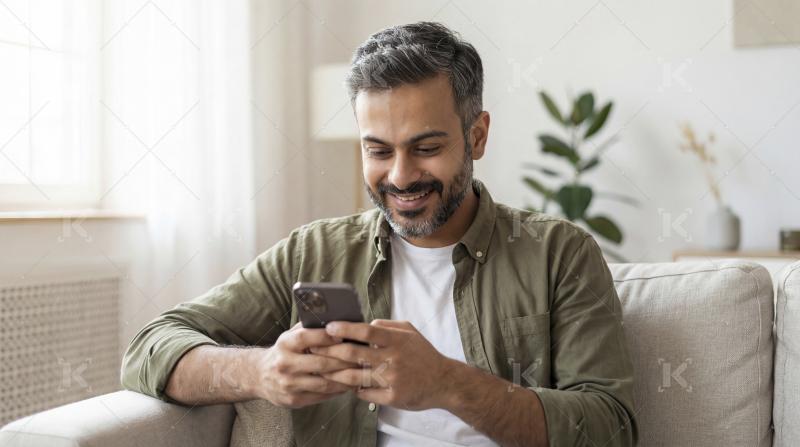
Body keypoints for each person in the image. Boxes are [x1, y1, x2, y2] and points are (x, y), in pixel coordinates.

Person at [121, 21, 637, 447]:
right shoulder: (315, 252)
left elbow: (611, 426)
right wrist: (259, 371)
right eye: (378, 150)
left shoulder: (558, 253)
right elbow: (149, 348)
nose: (400, 176)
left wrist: (448, 383)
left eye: (426, 147)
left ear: (476, 136)